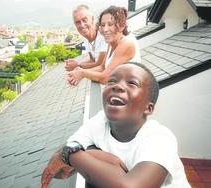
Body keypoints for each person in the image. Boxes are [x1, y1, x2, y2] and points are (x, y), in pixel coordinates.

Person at [41, 62, 191, 188]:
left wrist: (72, 155)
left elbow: (131, 186)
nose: (117, 86)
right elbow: (58, 171)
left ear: (148, 108)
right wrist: (93, 154)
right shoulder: (100, 121)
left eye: (132, 83)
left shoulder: (160, 139)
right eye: (111, 81)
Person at [67, 6, 141, 86]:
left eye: (110, 24)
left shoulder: (126, 43)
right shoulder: (111, 41)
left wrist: (83, 73)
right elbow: (102, 67)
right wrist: (77, 72)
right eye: (103, 25)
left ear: (122, 26)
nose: (105, 29)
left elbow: (106, 78)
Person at [64, 5, 107, 71]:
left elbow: (100, 64)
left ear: (92, 19)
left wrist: (78, 66)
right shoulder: (85, 38)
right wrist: (75, 64)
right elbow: (92, 60)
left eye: (84, 20)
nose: (82, 25)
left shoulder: (104, 34)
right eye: (78, 22)